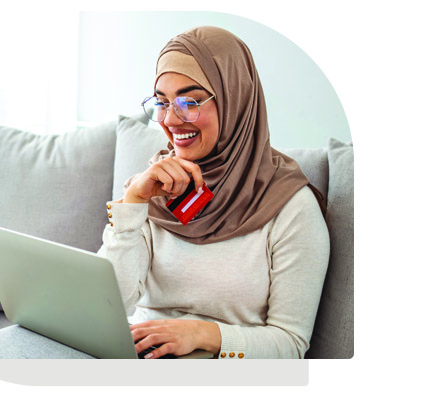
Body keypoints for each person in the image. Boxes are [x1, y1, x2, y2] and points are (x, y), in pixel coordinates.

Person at [96, 26, 329, 359]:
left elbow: (290, 345)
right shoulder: (149, 187)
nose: (171, 120)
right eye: (161, 102)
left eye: (189, 101)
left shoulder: (291, 207)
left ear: (235, 99)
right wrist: (133, 203)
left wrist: (205, 334)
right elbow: (108, 308)